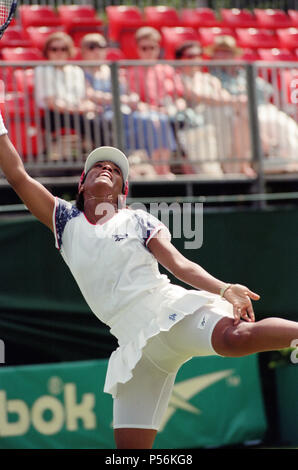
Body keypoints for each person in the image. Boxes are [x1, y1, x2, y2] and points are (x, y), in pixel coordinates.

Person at [1, 113, 298, 450]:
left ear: (122, 193)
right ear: (81, 184)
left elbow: (179, 264)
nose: (106, 170)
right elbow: (17, 174)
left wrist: (224, 289)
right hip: (133, 346)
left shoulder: (136, 219)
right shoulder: (64, 220)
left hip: (167, 313)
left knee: (235, 338)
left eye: (115, 171)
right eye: (98, 167)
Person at [80, 33, 175, 177]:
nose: (96, 51)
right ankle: (149, 168)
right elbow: (90, 94)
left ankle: (162, 169)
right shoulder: (82, 73)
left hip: (125, 111)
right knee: (146, 121)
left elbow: (127, 91)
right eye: (91, 47)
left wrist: (131, 99)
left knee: (158, 119)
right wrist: (120, 100)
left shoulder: (111, 70)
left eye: (101, 46)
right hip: (105, 113)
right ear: (83, 51)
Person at [205, 35, 298, 173]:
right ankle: (265, 153)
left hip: (261, 107)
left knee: (284, 123)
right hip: (235, 111)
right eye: (220, 51)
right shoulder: (211, 77)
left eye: (227, 52)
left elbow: (265, 90)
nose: (224, 55)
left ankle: (292, 161)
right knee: (250, 119)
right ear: (214, 55)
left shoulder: (243, 72)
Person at [175, 40, 256, 177]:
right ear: (180, 59)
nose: (195, 59)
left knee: (240, 115)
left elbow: (223, 95)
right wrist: (234, 101)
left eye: (198, 55)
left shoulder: (210, 79)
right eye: (190, 56)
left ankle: (242, 165)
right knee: (225, 112)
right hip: (195, 120)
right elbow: (199, 96)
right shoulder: (179, 78)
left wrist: (234, 102)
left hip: (218, 117)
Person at [126, 27, 187, 176]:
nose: (149, 52)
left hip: (165, 112)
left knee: (162, 119)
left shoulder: (167, 70)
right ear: (138, 49)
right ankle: (159, 169)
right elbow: (132, 99)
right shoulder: (131, 72)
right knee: (156, 120)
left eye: (152, 47)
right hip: (142, 114)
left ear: (158, 48)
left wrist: (175, 107)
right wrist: (152, 109)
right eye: (144, 48)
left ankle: (163, 169)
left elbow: (179, 97)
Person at [34, 32, 102, 157]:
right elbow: (52, 102)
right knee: (94, 124)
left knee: (104, 120)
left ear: (69, 51)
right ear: (47, 51)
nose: (59, 52)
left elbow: (84, 98)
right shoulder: (42, 70)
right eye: (54, 49)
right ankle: (104, 159)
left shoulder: (76, 70)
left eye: (63, 49)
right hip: (53, 115)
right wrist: (78, 110)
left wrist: (90, 107)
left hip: (76, 113)